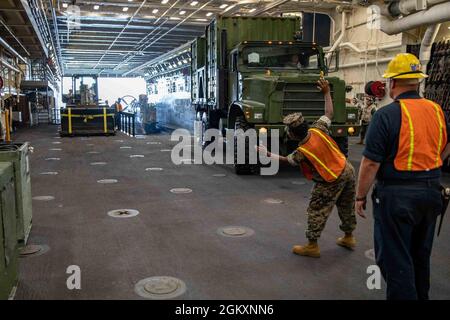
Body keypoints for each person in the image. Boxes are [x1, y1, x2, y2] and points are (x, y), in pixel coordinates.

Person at [355, 53, 450, 300]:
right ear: (417, 81)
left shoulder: (386, 115)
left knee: (396, 260)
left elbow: (370, 163)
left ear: (392, 83)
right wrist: (435, 159)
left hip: (397, 198)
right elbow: (447, 143)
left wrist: (360, 195)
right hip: (431, 194)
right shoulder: (436, 110)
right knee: (420, 257)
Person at [258, 78, 357, 258]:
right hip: (347, 169)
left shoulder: (302, 151)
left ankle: (312, 245)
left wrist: (266, 154)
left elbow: (286, 160)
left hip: (331, 178)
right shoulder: (318, 128)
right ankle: (348, 236)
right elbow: (329, 112)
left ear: (292, 134)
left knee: (316, 209)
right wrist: (327, 93)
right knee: (346, 204)